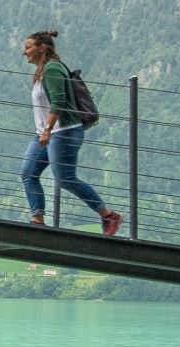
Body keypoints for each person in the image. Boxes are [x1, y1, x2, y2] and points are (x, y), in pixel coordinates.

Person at [20, 29, 122, 235]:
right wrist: (43, 128)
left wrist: (48, 129)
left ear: (43, 48)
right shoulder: (41, 71)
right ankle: (37, 221)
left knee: (65, 178)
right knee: (28, 173)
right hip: (46, 133)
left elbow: (59, 101)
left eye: (28, 47)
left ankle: (109, 216)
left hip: (63, 132)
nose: (24, 52)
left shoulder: (53, 69)